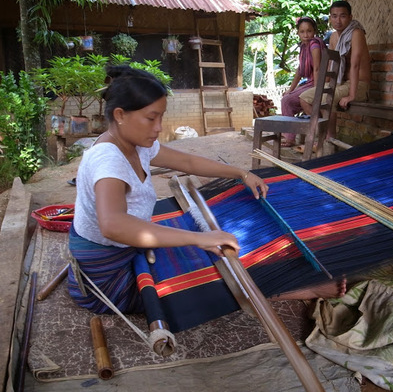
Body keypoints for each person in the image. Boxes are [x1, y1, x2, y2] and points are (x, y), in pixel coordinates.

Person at [68, 65, 269, 314]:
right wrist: (200, 239)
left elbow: (188, 162)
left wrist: (242, 174)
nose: (159, 127)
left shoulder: (136, 143)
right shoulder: (109, 160)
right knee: (213, 285)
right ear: (120, 115)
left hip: (122, 250)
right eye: (151, 118)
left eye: (161, 117)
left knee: (207, 265)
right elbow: (113, 225)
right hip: (107, 274)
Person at [299, 0, 371, 140]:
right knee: (304, 98)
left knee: (326, 99)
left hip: (358, 85)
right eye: (334, 16)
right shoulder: (333, 37)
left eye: (343, 16)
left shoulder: (356, 33)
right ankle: (324, 135)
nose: (338, 20)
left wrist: (351, 95)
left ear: (350, 17)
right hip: (339, 83)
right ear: (330, 18)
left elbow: (355, 65)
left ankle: (328, 138)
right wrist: (321, 86)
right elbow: (331, 65)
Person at [280, 16, 325, 147]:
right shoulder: (303, 47)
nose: (306, 35)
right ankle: (290, 136)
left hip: (317, 82)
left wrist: (316, 91)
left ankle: (294, 137)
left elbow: (317, 68)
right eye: (302, 32)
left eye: (309, 31)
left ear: (314, 31)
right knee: (287, 98)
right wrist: (291, 89)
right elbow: (300, 71)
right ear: (298, 33)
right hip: (310, 82)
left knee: (287, 101)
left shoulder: (314, 44)